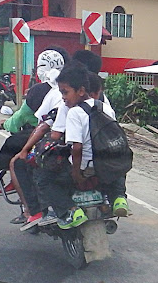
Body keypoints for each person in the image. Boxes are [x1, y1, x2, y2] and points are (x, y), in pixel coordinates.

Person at [0, 47, 69, 223]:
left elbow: (29, 120)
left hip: (47, 137)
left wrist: (5, 124)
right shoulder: (78, 90)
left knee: (15, 153)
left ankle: (28, 208)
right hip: (72, 138)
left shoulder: (43, 91)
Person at [34, 64, 128, 229]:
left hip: (86, 167)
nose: (63, 97)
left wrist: (77, 174)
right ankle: (119, 197)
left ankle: (70, 211)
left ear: (81, 91)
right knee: (118, 168)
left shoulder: (74, 112)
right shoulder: (105, 107)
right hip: (106, 166)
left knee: (43, 178)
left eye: (65, 92)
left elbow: (76, 147)